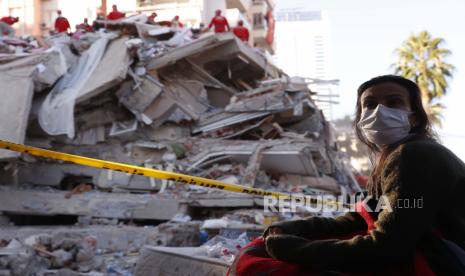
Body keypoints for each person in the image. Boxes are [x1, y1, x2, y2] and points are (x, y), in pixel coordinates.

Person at [231, 75, 465, 275]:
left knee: (260, 266)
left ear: (414, 117)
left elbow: (387, 247)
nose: (379, 111)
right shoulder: (394, 156)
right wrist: (297, 229)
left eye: (394, 103)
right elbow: (360, 216)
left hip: (444, 265)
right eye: (370, 105)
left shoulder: (414, 155)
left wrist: (292, 249)